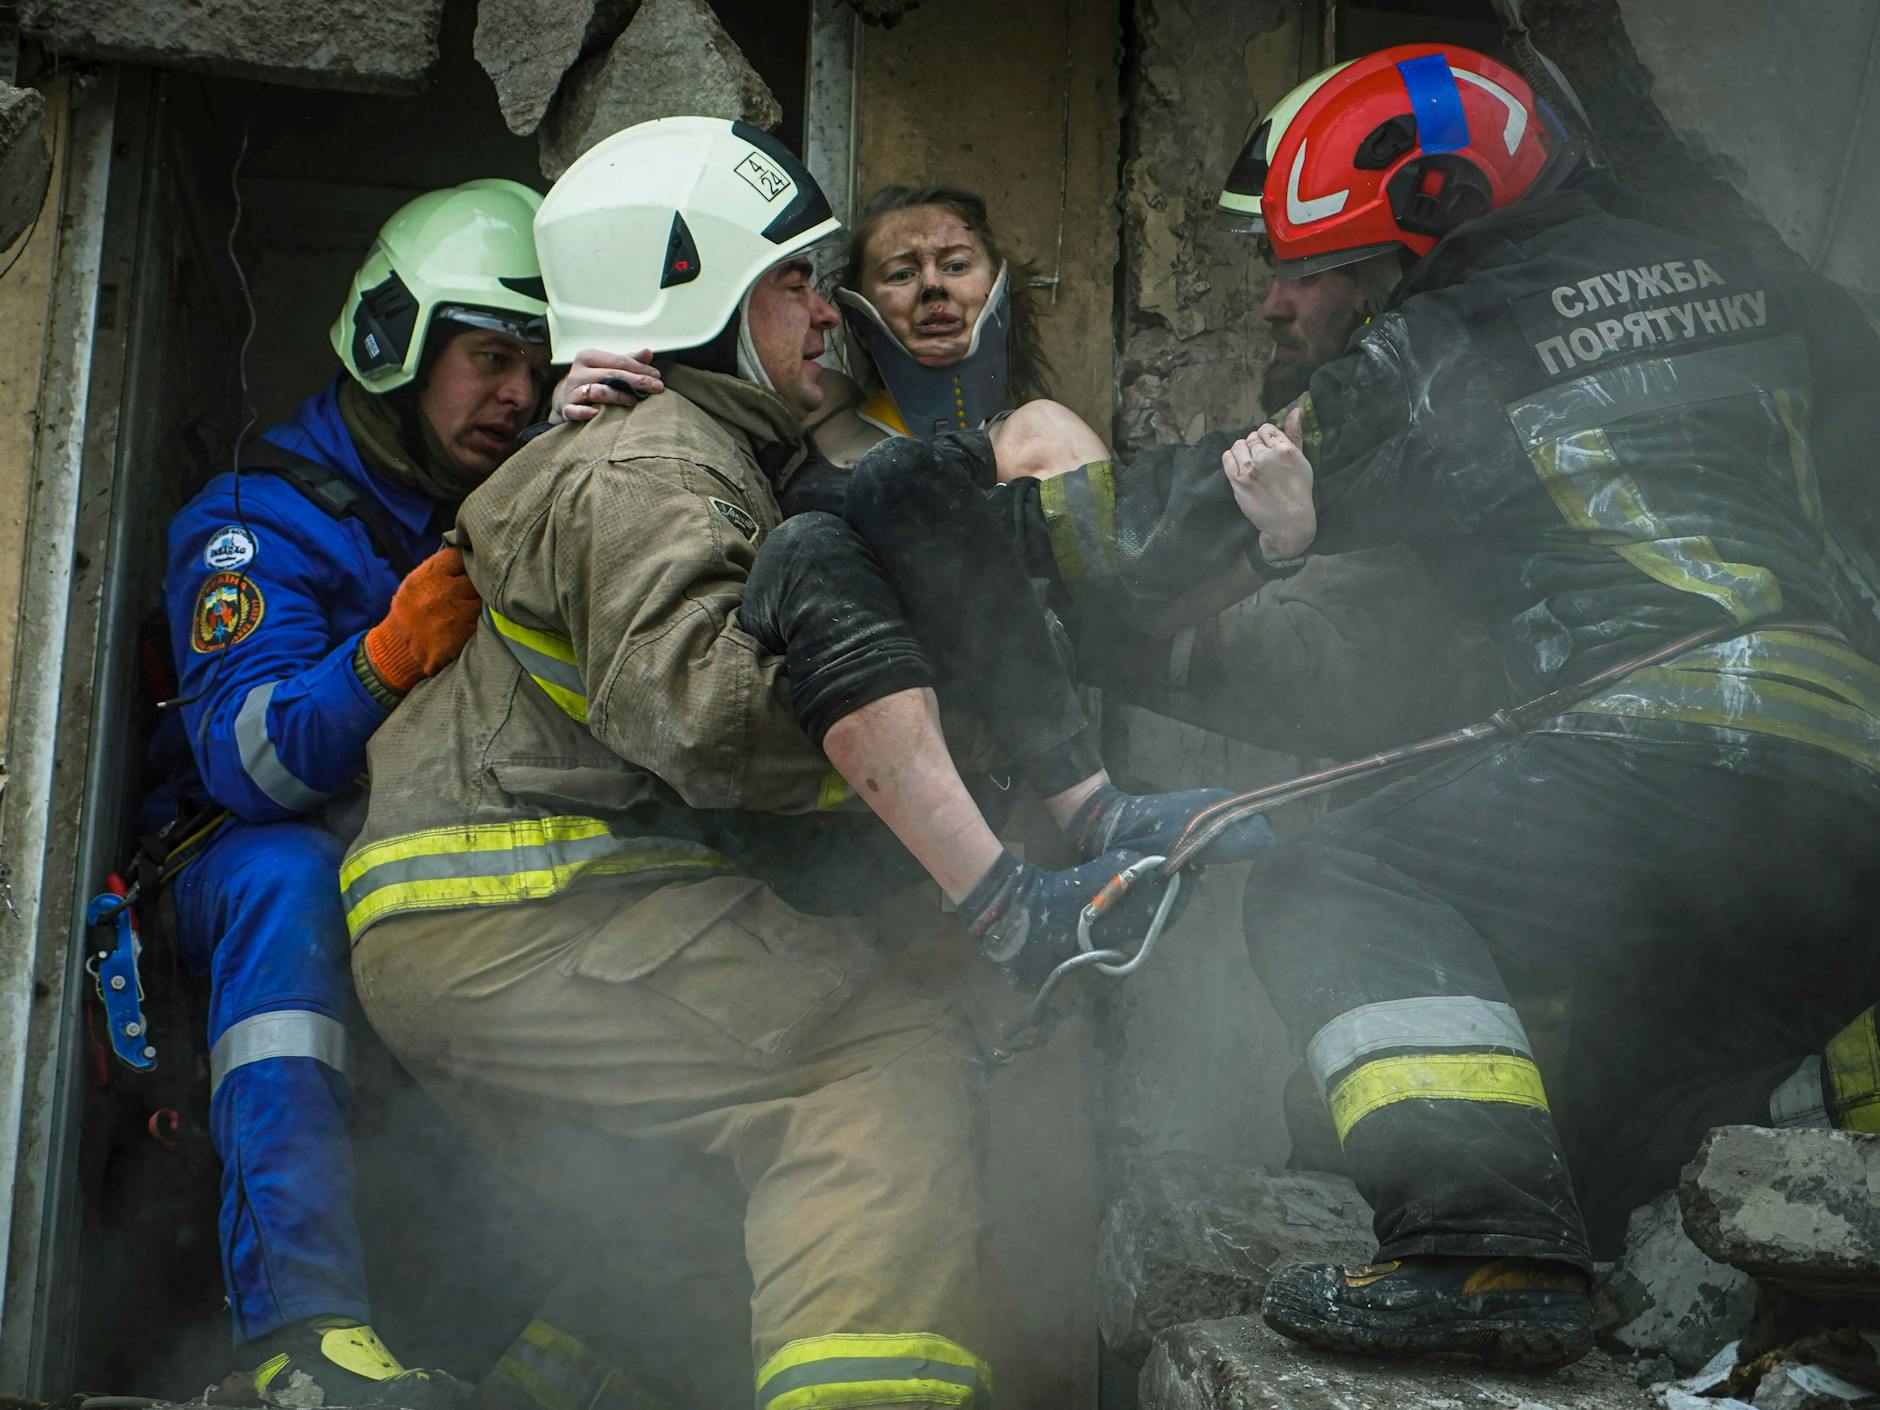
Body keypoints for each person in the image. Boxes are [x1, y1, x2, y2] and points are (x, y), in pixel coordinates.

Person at [1010, 43, 1880, 1369]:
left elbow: (1142, 555)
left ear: (1433, 228)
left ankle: (1474, 1246)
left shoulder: (1440, 338)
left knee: (1338, 882)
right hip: (1846, 794)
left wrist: (934, 529)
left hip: (1671, 739)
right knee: (1633, 1133)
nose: (1279, 305)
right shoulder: (1747, 282)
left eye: (1313, 267)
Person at [159, 178, 639, 1404]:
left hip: (439, 852)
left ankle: (590, 1331)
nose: (520, 395)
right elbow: (251, 766)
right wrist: (393, 646)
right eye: (488, 359)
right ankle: (300, 1344)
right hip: (235, 867)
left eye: (536, 367)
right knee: (293, 877)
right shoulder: (250, 520)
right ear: (393, 348)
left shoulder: (521, 483)